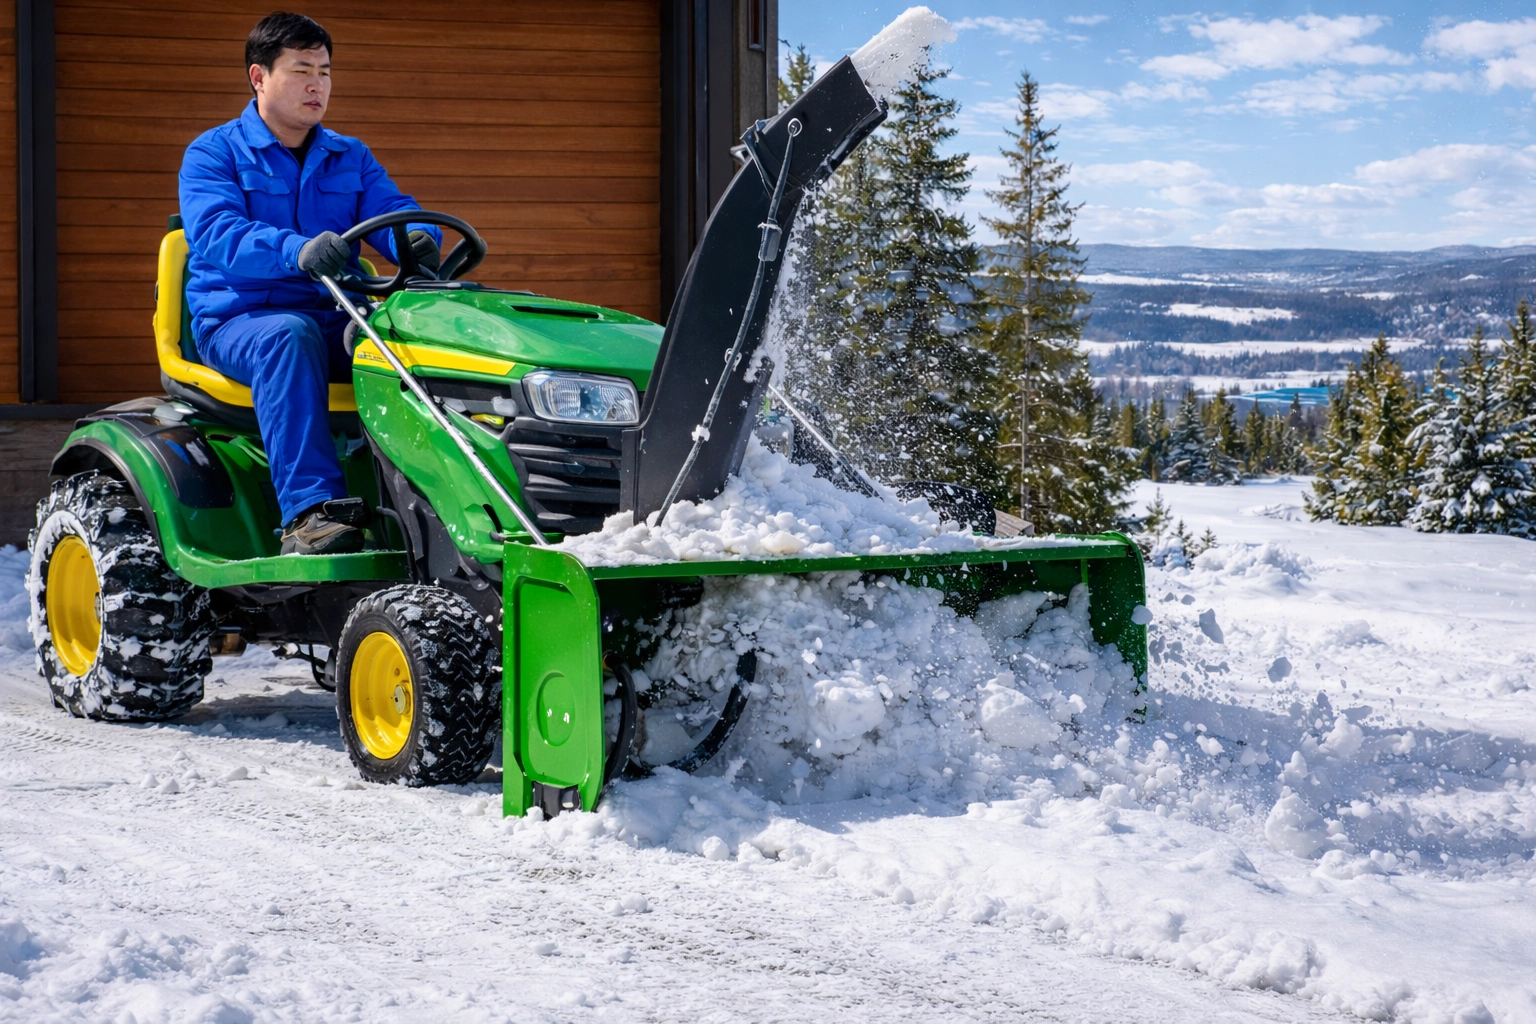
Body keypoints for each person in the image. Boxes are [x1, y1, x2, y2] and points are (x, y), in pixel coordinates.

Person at [178, 12, 440, 555]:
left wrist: (415, 240)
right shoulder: (214, 152)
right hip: (240, 323)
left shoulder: (350, 155)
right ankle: (310, 512)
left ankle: (437, 507)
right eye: (301, 71)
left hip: (334, 315)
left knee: (415, 338)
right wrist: (294, 250)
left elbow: (391, 210)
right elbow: (218, 232)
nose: (317, 84)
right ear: (259, 77)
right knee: (288, 336)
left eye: (324, 72)